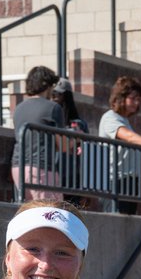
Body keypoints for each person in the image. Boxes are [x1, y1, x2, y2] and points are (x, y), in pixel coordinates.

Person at [99, 75, 141, 215]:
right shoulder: (110, 117)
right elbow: (128, 136)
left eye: (138, 99)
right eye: (133, 98)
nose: (136, 103)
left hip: (129, 181)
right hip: (115, 181)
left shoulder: (124, 120)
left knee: (127, 223)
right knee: (115, 222)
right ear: (121, 97)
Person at [10, 65, 64, 202]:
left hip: (18, 167)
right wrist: (76, 140)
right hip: (42, 168)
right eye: (52, 86)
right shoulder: (53, 108)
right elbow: (62, 145)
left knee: (28, 211)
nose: (53, 90)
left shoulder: (18, 108)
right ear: (47, 85)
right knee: (49, 213)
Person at [51, 77, 90, 209]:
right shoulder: (50, 120)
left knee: (72, 213)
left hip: (73, 179)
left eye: (59, 94)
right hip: (53, 175)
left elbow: (87, 154)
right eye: (53, 94)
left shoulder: (78, 124)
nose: (55, 97)